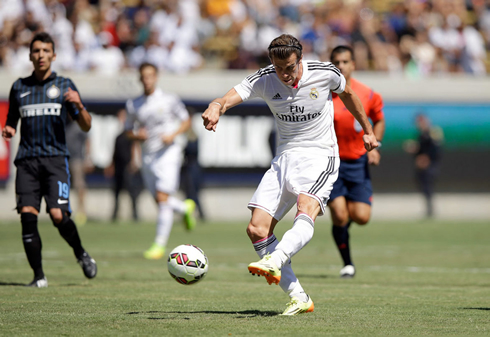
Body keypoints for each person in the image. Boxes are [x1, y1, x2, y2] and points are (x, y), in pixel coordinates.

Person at [202, 34, 378, 315]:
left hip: (321, 155)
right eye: (278, 67)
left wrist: (367, 130)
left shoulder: (325, 73)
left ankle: (278, 258)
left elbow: (349, 96)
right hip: (285, 158)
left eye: (290, 67)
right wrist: (216, 106)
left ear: (301, 59)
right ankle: (299, 297)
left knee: (305, 208)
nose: (284, 74)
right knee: (256, 229)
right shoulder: (265, 78)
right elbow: (227, 98)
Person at [1, 32, 97, 288]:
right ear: (30, 55)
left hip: (55, 160)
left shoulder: (65, 86)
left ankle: (81, 254)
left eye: (45, 51)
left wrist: (80, 105)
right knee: (27, 215)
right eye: (36, 51)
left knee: (57, 214)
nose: (40, 55)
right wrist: (9, 130)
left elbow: (86, 126)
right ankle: (38, 276)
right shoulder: (19, 87)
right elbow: (12, 120)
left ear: (53, 55)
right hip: (27, 162)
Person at [125, 62, 197, 260]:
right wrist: (136, 135)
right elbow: (127, 130)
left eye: (150, 76)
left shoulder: (169, 100)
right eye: (144, 76)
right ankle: (184, 208)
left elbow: (186, 121)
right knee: (159, 200)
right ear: (140, 79)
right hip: (147, 155)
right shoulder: (134, 104)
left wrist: (173, 134)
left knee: (162, 198)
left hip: (169, 152)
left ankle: (159, 245)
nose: (147, 80)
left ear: (156, 77)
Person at [328, 46, 386, 279]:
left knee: (361, 216)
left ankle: (343, 224)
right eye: (336, 62)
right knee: (340, 215)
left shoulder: (368, 94)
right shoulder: (321, 93)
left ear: (353, 65)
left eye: (345, 62)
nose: (340, 66)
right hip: (331, 163)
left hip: (357, 162)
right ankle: (347, 264)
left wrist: (376, 144)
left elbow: (379, 120)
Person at [105, 109, 143, 222]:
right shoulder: (118, 136)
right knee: (116, 192)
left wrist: (134, 162)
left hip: (128, 167)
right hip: (118, 167)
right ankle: (115, 214)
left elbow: (135, 149)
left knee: (132, 192)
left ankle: (135, 215)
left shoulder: (131, 136)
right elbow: (114, 152)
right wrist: (111, 165)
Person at [403, 114, 443, 218]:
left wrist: (426, 158)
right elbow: (419, 149)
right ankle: (428, 209)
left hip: (430, 165)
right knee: (423, 186)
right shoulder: (420, 135)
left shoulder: (433, 133)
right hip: (421, 167)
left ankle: (430, 210)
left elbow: (436, 149)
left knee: (428, 186)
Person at [65, 116, 93, 226]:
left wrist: (88, 158)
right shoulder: (63, 124)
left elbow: (88, 141)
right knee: (62, 186)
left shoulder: (79, 125)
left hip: (77, 159)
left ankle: (81, 212)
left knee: (79, 186)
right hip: (64, 159)